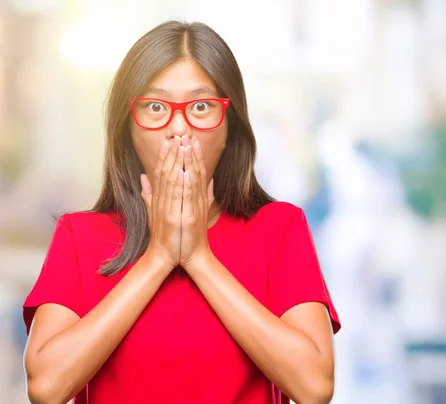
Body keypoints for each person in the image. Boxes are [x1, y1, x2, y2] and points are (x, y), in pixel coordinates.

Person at [22, 20, 340, 404]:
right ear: (128, 127)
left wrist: (197, 257)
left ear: (229, 126)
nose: (178, 128)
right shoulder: (80, 234)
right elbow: (45, 387)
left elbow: (314, 387)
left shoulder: (280, 228)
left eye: (201, 106)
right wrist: (158, 256)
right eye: (155, 107)